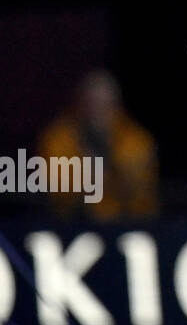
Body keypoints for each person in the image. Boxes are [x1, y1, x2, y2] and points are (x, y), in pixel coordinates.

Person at [37, 69, 158, 221]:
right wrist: (88, 175)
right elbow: (59, 192)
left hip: (129, 223)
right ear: (79, 104)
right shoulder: (58, 138)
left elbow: (138, 188)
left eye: (105, 105)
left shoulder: (136, 139)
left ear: (117, 106)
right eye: (91, 104)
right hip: (72, 224)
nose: (97, 112)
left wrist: (105, 168)